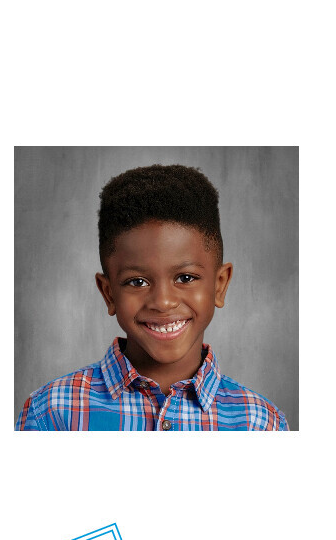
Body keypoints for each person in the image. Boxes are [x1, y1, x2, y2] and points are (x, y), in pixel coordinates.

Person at [17, 163, 288, 430]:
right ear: (108, 293)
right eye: (138, 282)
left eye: (185, 278)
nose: (163, 302)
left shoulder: (260, 422)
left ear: (219, 285)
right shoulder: (52, 413)